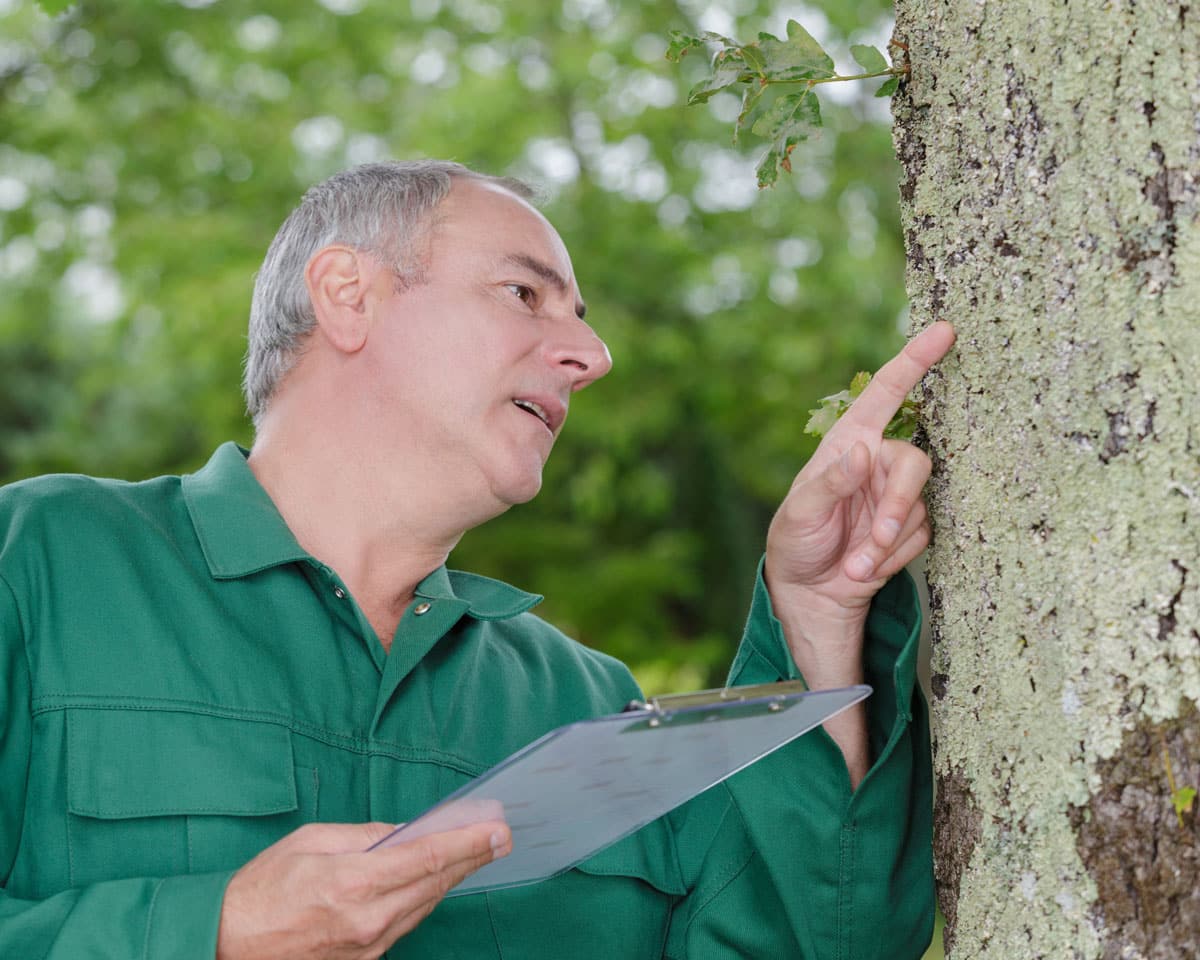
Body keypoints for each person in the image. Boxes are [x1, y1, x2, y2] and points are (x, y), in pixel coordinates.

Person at [0, 160, 955, 959]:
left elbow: (824, 936)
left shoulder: (593, 711)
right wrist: (212, 929)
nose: (591, 352)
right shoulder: (39, 564)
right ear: (349, 296)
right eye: (525, 293)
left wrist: (820, 619)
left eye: (578, 314)